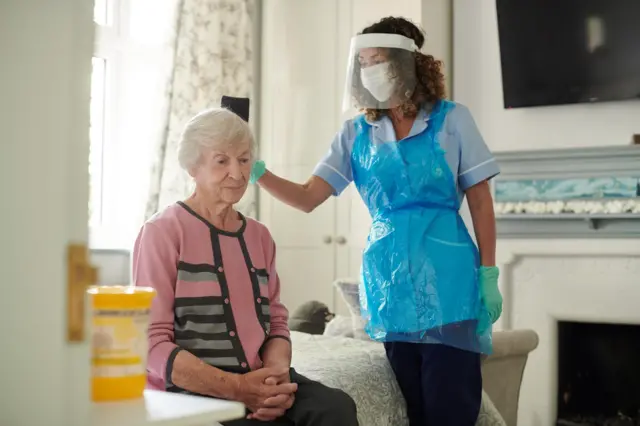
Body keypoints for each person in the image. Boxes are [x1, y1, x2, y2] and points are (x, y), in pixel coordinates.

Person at [250, 17, 503, 426]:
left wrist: (488, 273)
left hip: (451, 286)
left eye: (378, 60)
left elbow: (480, 202)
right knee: (415, 411)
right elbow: (308, 197)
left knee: (451, 408)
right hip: (389, 288)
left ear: (408, 63)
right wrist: (256, 171)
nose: (369, 71)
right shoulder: (355, 134)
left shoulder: (453, 120)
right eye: (362, 62)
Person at [132, 105, 359, 426]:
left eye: (243, 159)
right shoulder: (162, 232)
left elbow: (277, 323)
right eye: (221, 161)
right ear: (192, 167)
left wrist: (272, 380)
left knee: (335, 408)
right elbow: (151, 343)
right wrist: (238, 389)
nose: (237, 174)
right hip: (193, 390)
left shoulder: (259, 236)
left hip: (257, 377)